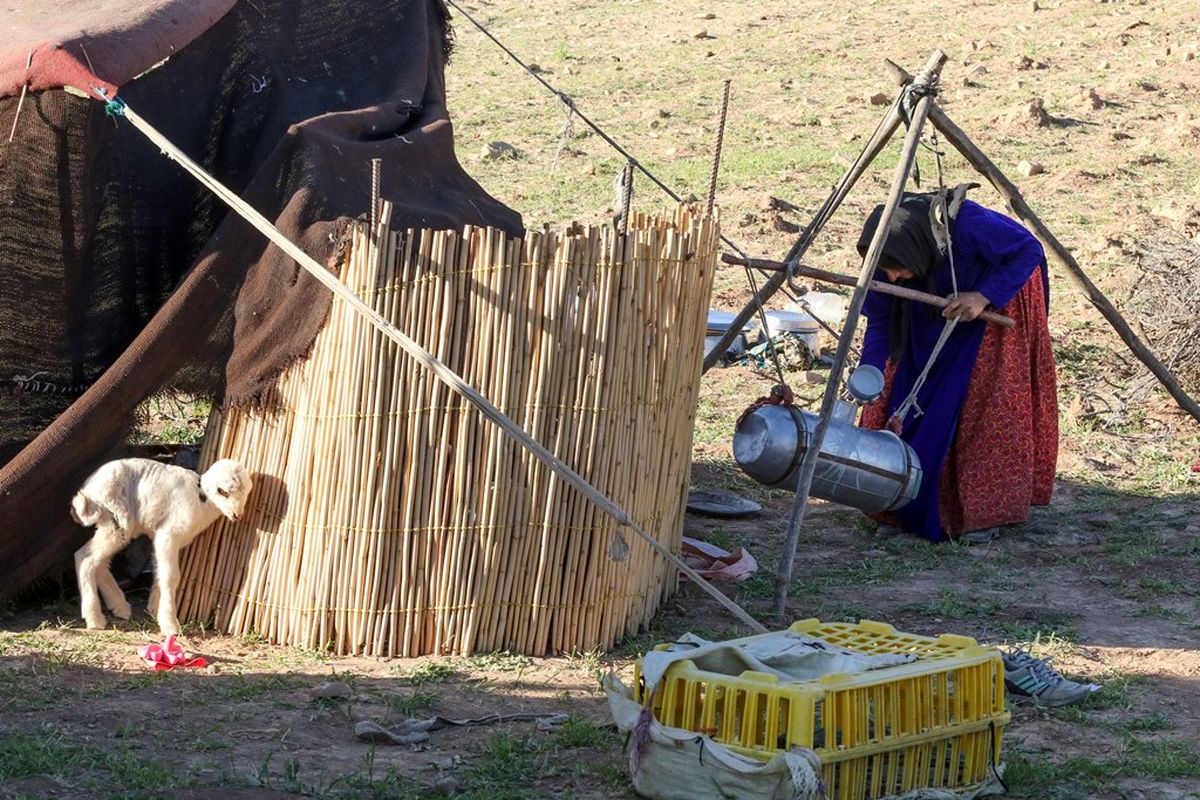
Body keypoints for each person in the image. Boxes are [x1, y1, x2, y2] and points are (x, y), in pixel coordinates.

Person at [856, 189, 1058, 542]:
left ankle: (977, 514)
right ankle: (899, 501)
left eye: (895, 268)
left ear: (912, 252)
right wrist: (870, 371)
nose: (891, 277)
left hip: (992, 311)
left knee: (979, 403)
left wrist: (983, 297)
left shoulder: (968, 226)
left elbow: (1028, 251)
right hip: (925, 316)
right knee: (904, 395)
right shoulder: (891, 255)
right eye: (884, 270)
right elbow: (880, 319)